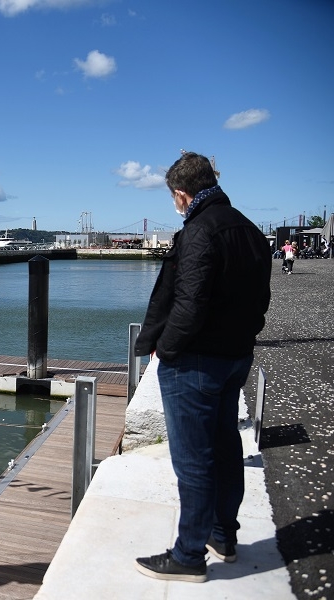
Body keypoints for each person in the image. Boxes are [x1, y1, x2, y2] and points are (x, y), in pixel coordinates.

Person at [133, 152, 271, 583]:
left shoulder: (198, 231)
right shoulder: (248, 229)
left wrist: (167, 349)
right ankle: (222, 536)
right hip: (235, 357)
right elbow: (260, 300)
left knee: (193, 460)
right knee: (226, 447)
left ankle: (189, 555)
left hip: (195, 362)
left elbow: (189, 304)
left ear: (180, 193)